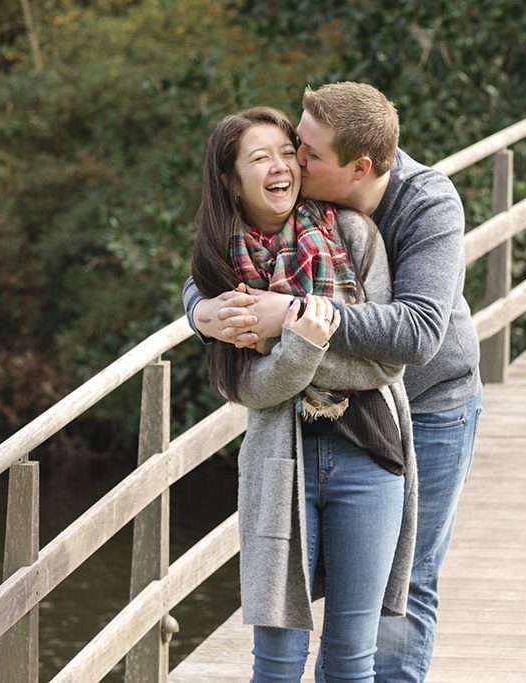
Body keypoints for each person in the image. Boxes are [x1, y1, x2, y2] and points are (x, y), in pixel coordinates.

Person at [183, 83, 482, 682]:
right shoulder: (304, 206)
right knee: (311, 624)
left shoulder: (425, 204)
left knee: (409, 578)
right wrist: (199, 310)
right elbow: (224, 254)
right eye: (295, 142)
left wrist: (290, 319)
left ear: (359, 168)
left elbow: (418, 334)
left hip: (428, 403)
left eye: (307, 153)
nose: (294, 157)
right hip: (317, 419)